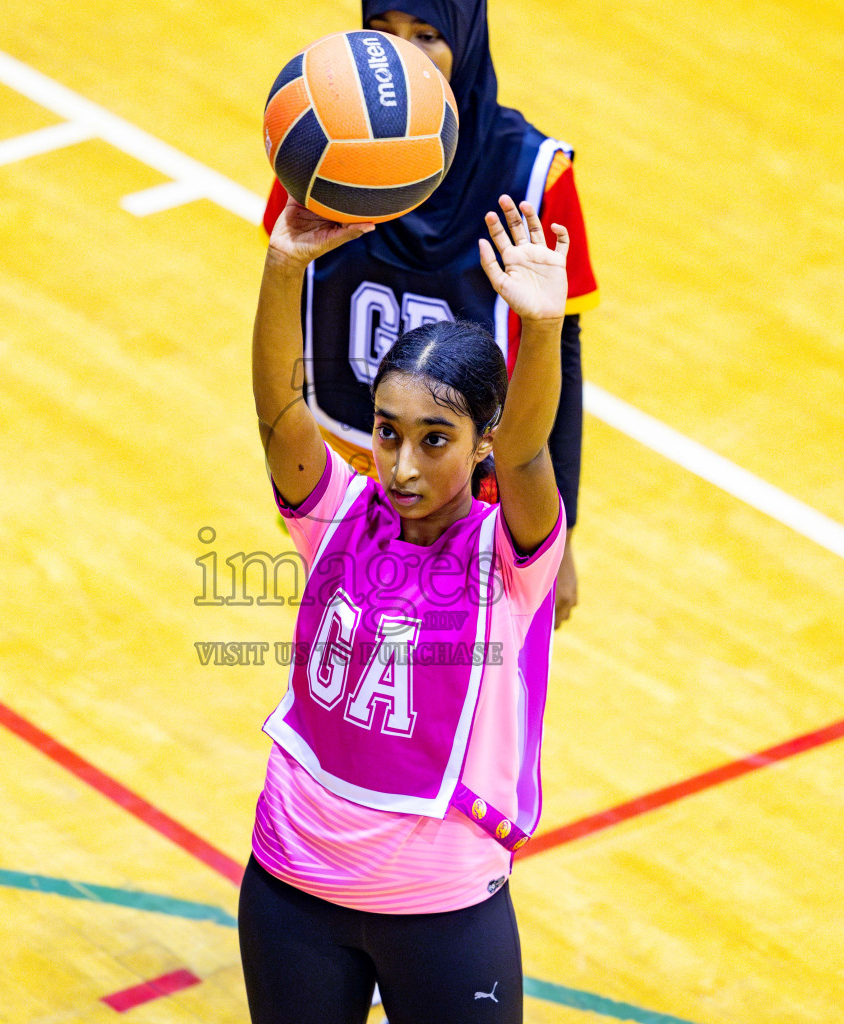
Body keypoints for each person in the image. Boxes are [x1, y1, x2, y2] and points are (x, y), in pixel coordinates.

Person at [241, 192, 568, 1024]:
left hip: (441, 903)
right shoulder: (335, 512)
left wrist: (542, 329)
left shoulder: (510, 557)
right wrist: (284, 267)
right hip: (291, 882)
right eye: (389, 433)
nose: (404, 463)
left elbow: (530, 450)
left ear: (480, 440)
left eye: (436, 438)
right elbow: (279, 413)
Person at [262, 0, 598, 630]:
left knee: (460, 673)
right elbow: (285, 327)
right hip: (347, 481)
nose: (404, 56)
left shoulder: (533, 174)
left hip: (469, 497)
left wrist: (565, 528)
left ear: (466, 44)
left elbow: (565, 363)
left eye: (428, 35)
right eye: (382, 32)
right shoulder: (320, 148)